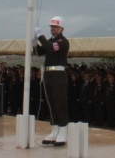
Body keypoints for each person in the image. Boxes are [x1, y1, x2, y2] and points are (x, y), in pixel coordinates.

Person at [32, 16, 70, 147]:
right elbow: (40, 51)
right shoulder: (50, 40)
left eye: (55, 27)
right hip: (48, 74)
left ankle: (63, 131)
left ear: (61, 28)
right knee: (51, 103)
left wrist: (40, 36)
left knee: (59, 103)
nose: (52, 29)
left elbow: (49, 48)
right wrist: (35, 43)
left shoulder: (63, 41)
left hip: (58, 75)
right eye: (51, 27)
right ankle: (54, 130)